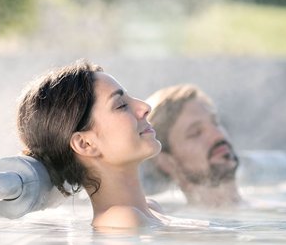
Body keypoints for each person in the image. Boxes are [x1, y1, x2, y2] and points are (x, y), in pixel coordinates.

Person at [16, 59, 167, 229]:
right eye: (121, 105)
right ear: (85, 144)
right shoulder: (121, 220)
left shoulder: (151, 209)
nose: (145, 106)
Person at [142, 84, 243, 207]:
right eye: (196, 133)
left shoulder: (270, 207)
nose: (218, 135)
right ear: (167, 162)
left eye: (215, 123)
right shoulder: (167, 221)